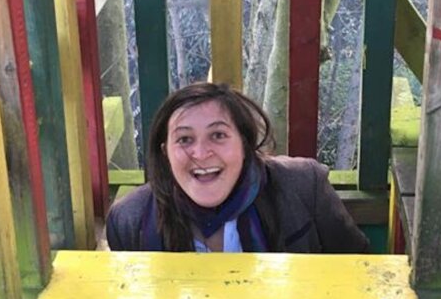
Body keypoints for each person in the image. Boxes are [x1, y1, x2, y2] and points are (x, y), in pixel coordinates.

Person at [106, 82, 369, 253]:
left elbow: (361, 276)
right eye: (185, 139)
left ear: (244, 143)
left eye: (218, 135)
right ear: (165, 153)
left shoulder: (302, 185)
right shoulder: (130, 220)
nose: (201, 153)